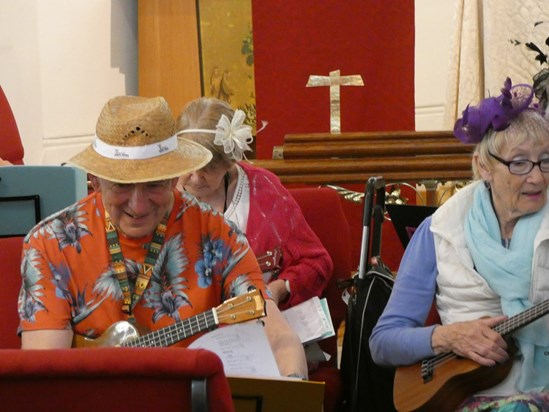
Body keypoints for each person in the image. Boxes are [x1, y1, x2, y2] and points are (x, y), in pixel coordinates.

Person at [18, 95, 308, 379]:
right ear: (94, 180)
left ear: (174, 177)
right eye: (121, 186)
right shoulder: (50, 244)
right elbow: (45, 377)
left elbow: (279, 338)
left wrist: (294, 383)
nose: (138, 204)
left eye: (154, 185)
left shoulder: (217, 234)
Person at [370, 78, 549, 410]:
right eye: (520, 163)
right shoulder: (440, 230)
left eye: (546, 160)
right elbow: (383, 343)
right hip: (470, 394)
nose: (537, 177)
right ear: (484, 166)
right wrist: (448, 337)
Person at [176, 97, 333, 309]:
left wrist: (279, 289)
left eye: (207, 169)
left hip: (257, 327)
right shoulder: (160, 196)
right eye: (187, 165)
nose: (194, 178)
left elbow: (316, 263)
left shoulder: (263, 189)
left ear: (228, 161)